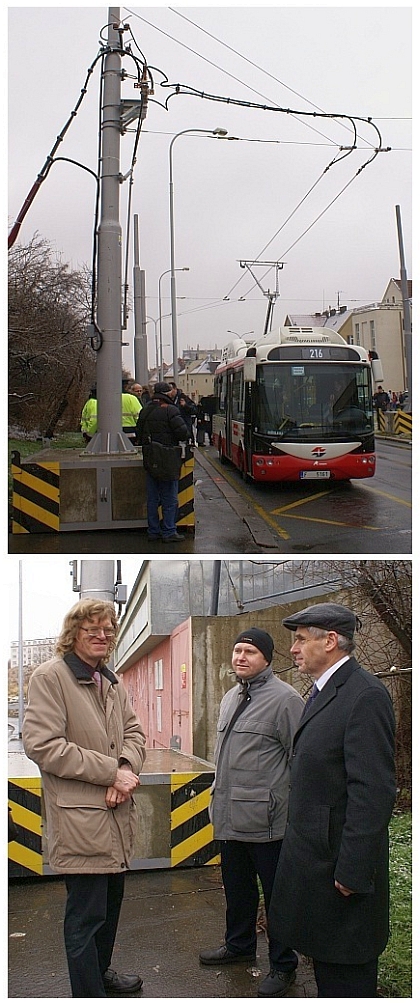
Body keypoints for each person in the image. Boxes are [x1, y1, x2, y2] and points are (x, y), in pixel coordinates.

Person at [268, 602, 396, 999]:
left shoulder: (364, 696)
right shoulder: (324, 692)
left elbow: (372, 792)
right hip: (317, 866)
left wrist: (353, 872)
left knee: (346, 980)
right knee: (328, 972)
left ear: (331, 641)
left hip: (341, 875)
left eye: (301, 639)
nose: (293, 649)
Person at [22, 599, 147, 999]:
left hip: (114, 815)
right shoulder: (51, 676)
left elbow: (135, 734)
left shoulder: (110, 680)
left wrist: (124, 768)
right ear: (73, 633)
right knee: (85, 918)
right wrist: (112, 772)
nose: (102, 636)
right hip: (81, 820)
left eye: (108, 629)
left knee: (109, 911)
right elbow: (42, 745)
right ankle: (88, 991)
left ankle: (102, 972)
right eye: (92, 629)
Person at [199, 627, 304, 998]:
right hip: (229, 816)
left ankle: (283, 965)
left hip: (269, 822)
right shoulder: (230, 697)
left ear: (267, 659)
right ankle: (239, 946)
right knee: (238, 890)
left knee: (277, 896)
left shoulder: (285, 700)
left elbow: (301, 761)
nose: (241, 657)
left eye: (250, 652)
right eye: (237, 650)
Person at [135, 382, 189, 543]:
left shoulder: (146, 409)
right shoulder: (171, 410)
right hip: (168, 457)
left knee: (153, 497)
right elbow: (182, 433)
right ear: (167, 392)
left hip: (150, 456)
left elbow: (139, 432)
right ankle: (169, 531)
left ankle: (153, 531)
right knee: (169, 497)